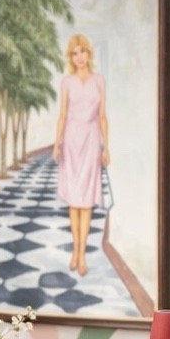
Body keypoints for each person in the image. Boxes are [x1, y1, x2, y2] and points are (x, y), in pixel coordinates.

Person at [51, 33, 109, 278]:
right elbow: (63, 115)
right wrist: (57, 143)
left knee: (86, 204)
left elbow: (102, 116)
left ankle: (82, 255)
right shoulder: (67, 82)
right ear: (70, 57)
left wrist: (106, 146)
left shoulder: (99, 81)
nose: (79, 57)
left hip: (91, 140)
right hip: (71, 142)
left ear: (88, 53)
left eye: (82, 51)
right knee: (74, 203)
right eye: (74, 53)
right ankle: (75, 252)